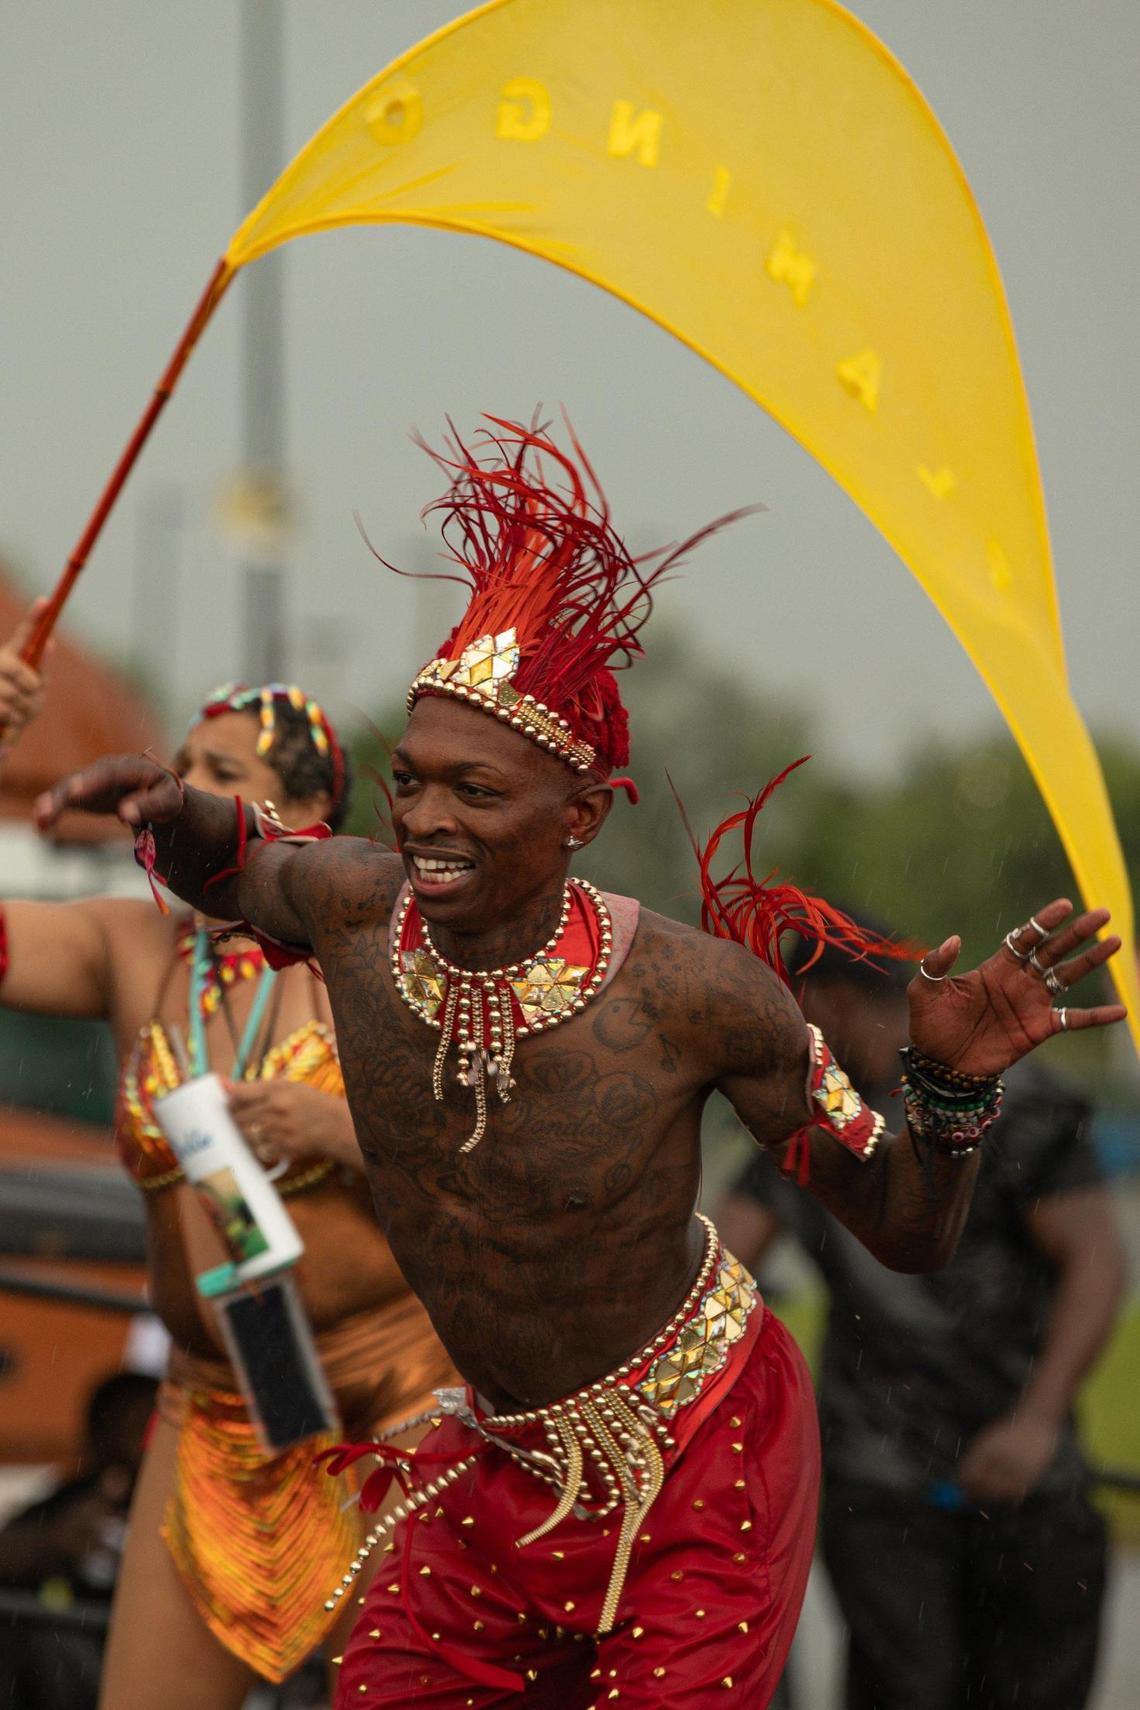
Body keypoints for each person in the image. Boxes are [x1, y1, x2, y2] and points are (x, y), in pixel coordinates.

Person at [32, 419, 1127, 1709]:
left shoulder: (697, 999)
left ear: (583, 818)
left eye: (477, 796)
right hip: (493, 1463)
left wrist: (946, 1097)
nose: (429, 822)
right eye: (411, 783)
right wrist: (171, 815)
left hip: (701, 1458)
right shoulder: (353, 908)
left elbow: (904, 1230)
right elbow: (243, 865)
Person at [0, 643, 454, 1710]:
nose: (181, 794)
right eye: (181, 765)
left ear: (304, 817)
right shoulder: (132, 948)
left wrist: (338, 1129)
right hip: (221, 1400)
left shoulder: (390, 955)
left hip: (391, 1398)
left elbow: (495, 1161)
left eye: (222, 776)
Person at [718, 927, 1127, 1710]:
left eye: (778, 1007)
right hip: (877, 1486)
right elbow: (711, 1266)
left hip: (1025, 1471)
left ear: (828, 997)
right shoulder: (805, 1120)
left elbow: (1097, 1262)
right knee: (901, 1689)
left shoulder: (1013, 1098)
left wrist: (1037, 1422)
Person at [0, 1371, 157, 1710]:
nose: (143, 1442)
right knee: (50, 1642)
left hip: (143, 1655)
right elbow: (8, 1550)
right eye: (135, 1425)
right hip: (74, 1657)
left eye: (150, 1427)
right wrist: (54, 1540)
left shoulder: (176, 1508)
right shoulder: (75, 1498)